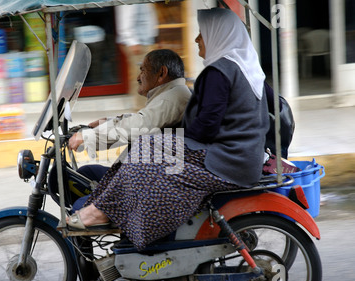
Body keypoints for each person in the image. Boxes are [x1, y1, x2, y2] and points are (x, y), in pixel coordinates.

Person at [67, 8, 270, 251]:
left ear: (218, 35)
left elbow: (205, 127)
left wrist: (174, 139)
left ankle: (103, 212)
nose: (196, 40)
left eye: (202, 35)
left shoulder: (219, 72)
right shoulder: (240, 67)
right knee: (152, 146)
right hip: (238, 156)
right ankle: (105, 210)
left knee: (147, 147)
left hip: (227, 160)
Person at [68, 49, 191, 172]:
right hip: (147, 171)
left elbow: (139, 125)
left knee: (86, 174)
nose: (138, 78)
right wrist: (109, 121)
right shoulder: (171, 94)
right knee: (86, 172)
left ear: (161, 73)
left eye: (143, 70)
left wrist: (87, 136)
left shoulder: (173, 97)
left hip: (151, 176)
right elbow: (145, 118)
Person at [115, 3, 159, 110]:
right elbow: (125, 18)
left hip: (145, 41)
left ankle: (144, 108)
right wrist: (132, 41)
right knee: (142, 78)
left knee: (147, 77)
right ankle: (140, 109)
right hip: (138, 43)